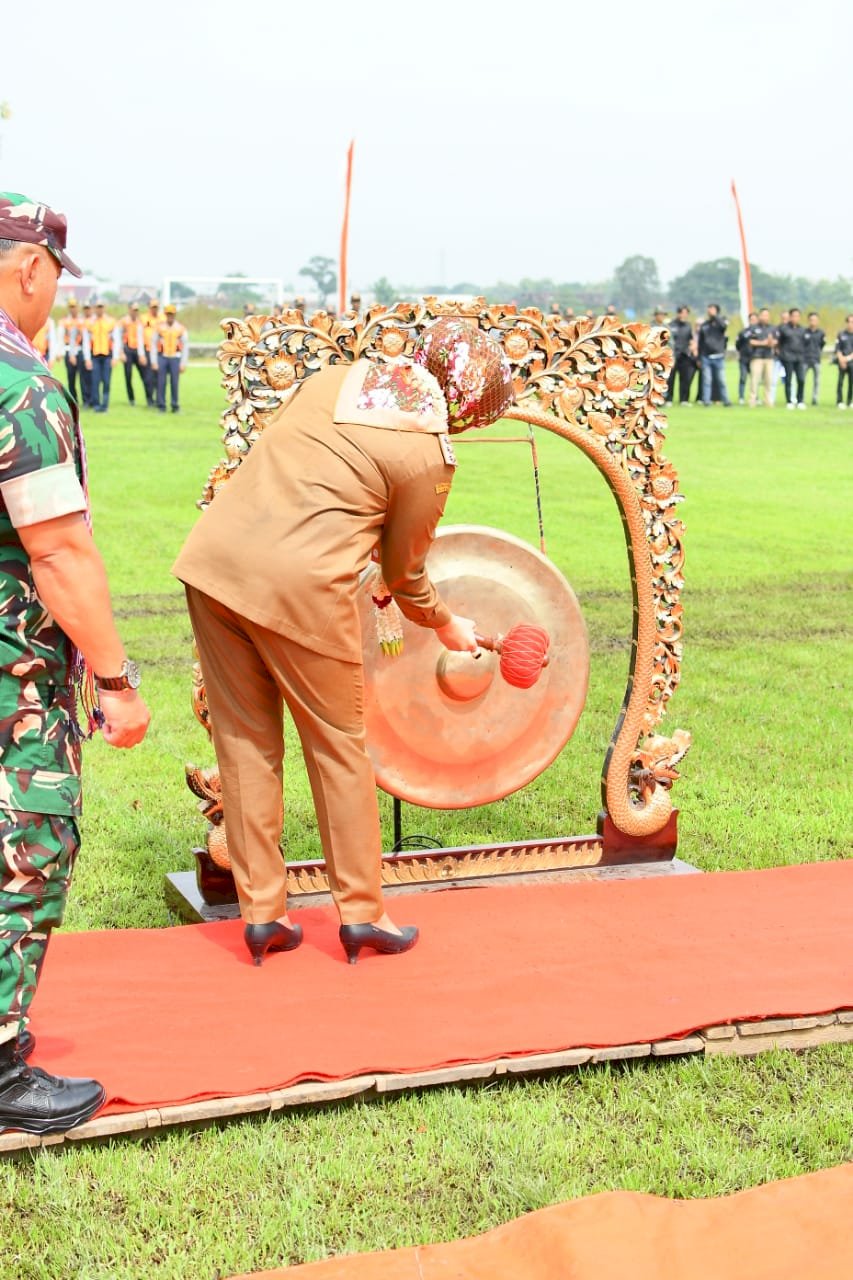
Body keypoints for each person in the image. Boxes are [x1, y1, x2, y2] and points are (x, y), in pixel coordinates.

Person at [173, 318, 514, 967]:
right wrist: (447, 625)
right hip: (299, 590)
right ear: (467, 399)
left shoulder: (331, 381)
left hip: (213, 567)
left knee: (245, 741)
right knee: (338, 750)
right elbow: (404, 573)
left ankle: (262, 914)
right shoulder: (427, 454)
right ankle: (362, 916)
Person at [0, 192, 150, 1134]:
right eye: (56, 276)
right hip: (15, 678)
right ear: (29, 268)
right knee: (25, 849)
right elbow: (57, 552)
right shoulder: (19, 383)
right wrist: (117, 679)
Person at [151, 303, 188, 413]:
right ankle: (161, 406)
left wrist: (183, 363)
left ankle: (175, 405)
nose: (170, 316)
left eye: (172, 314)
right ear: (165, 314)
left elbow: (185, 347)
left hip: (175, 358)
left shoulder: (180, 328)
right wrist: (154, 361)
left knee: (174, 382)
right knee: (161, 382)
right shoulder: (159, 328)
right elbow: (153, 344)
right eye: (168, 314)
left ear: (175, 315)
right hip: (162, 357)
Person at [85, 299, 120, 413]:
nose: (99, 309)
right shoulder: (90, 323)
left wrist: (115, 357)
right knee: (95, 381)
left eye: (101, 307)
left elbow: (116, 340)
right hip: (94, 355)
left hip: (107, 355)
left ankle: (104, 405)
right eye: (98, 307)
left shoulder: (110, 322)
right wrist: (87, 358)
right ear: (95, 308)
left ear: (104, 308)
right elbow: (86, 341)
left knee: (106, 381)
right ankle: (96, 405)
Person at [697, 304, 731, 406]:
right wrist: (699, 357)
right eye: (709, 309)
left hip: (718, 356)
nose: (710, 311)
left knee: (721, 380)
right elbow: (700, 342)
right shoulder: (704, 325)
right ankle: (706, 401)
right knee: (707, 380)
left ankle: (726, 401)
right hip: (706, 357)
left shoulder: (720, 323)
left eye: (712, 309)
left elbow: (724, 326)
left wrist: (716, 316)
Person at [776, 307, 807, 409]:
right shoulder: (784, 329)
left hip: (799, 357)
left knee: (801, 379)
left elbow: (805, 343)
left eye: (797, 316)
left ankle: (800, 400)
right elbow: (778, 343)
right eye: (793, 316)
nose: (795, 318)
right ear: (790, 317)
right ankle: (789, 401)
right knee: (788, 379)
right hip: (788, 357)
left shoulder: (802, 329)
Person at [58, 296, 86, 404]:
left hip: (80, 350)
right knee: (71, 377)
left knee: (83, 377)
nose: (73, 308)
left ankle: (86, 399)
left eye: (74, 306)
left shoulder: (82, 321)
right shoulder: (64, 321)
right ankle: (73, 400)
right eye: (71, 306)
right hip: (68, 350)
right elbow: (60, 338)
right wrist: (59, 352)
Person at [665, 305, 696, 405]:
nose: (684, 315)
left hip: (685, 355)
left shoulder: (688, 326)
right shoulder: (671, 325)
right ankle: (669, 399)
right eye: (682, 313)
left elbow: (691, 339)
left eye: (686, 313)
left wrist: (693, 347)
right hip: (673, 355)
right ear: (678, 313)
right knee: (671, 378)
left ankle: (684, 400)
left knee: (685, 378)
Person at [119, 301, 147, 406]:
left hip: (137, 350)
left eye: (137, 310)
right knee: (128, 375)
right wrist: (121, 352)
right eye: (134, 309)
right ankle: (131, 399)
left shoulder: (140, 322)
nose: (136, 312)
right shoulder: (123, 322)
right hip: (127, 350)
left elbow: (141, 338)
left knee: (144, 375)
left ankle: (149, 398)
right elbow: (119, 338)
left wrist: (142, 354)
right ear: (129, 309)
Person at [748, 308, 775, 407]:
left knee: (768, 380)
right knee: (755, 380)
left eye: (767, 315)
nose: (765, 317)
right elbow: (751, 341)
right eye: (763, 315)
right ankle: (752, 400)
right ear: (759, 316)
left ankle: (767, 400)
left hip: (769, 357)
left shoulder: (772, 328)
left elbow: (776, 342)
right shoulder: (754, 328)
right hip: (757, 357)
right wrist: (763, 343)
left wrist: (771, 342)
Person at [140, 297, 162, 407]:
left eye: (156, 307)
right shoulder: (143, 319)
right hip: (147, 350)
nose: (155, 309)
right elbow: (140, 336)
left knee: (159, 378)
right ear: (149, 307)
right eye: (153, 307)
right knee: (148, 378)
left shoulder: (162, 318)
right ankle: (149, 399)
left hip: (159, 352)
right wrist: (141, 354)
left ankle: (159, 399)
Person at [802, 312, 825, 406]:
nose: (813, 322)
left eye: (815, 320)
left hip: (816, 359)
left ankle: (815, 398)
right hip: (805, 359)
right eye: (811, 319)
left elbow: (822, 345)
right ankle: (801, 398)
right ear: (808, 320)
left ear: (818, 321)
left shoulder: (821, 333)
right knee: (801, 380)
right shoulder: (804, 332)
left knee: (817, 381)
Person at [735, 312, 758, 404]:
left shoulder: (760, 331)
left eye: (755, 319)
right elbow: (738, 345)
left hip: (755, 358)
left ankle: (756, 397)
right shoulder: (743, 332)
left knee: (755, 379)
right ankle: (741, 397)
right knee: (743, 377)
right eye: (751, 319)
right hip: (744, 358)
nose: (753, 321)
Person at [835, 315, 853, 409]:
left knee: (851, 383)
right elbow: (837, 348)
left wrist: (847, 359)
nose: (851, 324)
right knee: (840, 382)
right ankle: (839, 401)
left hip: (851, 362)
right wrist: (841, 359)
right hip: (841, 361)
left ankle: (850, 401)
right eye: (849, 322)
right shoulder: (841, 334)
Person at [78, 300, 94, 407]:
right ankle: (85, 400)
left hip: (93, 350)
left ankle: (93, 399)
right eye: (85, 308)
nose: (87, 310)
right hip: (81, 349)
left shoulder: (94, 321)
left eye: (88, 308)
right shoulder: (80, 322)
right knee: (83, 378)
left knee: (93, 377)